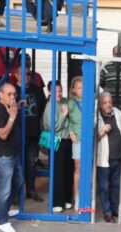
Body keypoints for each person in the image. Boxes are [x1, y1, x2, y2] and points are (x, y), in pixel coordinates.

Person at [0, 83, 23, 232]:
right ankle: (1, 221)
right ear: (0, 95)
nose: (13, 97)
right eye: (9, 94)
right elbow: (2, 135)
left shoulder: (10, 107)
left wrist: (16, 109)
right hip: (3, 157)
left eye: (14, 94)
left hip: (13, 154)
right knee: (5, 189)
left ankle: (4, 210)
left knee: (18, 183)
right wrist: (13, 117)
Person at [14, 65, 46, 203]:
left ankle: (31, 191)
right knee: (17, 164)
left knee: (31, 164)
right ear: (16, 75)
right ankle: (16, 193)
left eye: (27, 74)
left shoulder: (37, 90)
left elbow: (44, 112)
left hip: (33, 134)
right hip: (16, 135)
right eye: (22, 74)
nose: (25, 76)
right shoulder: (11, 90)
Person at [42, 81, 74, 213]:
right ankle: (57, 201)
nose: (58, 93)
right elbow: (53, 127)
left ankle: (67, 199)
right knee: (58, 172)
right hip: (57, 141)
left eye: (60, 90)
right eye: (55, 91)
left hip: (67, 140)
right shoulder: (50, 106)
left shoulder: (65, 101)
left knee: (68, 171)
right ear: (49, 92)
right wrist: (64, 115)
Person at [96, 92, 121, 223]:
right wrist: (102, 131)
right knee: (104, 187)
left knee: (116, 185)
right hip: (104, 159)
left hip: (118, 157)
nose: (108, 105)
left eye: (109, 102)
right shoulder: (96, 116)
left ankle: (114, 209)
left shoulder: (118, 113)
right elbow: (91, 138)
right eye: (105, 103)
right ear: (100, 104)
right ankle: (107, 212)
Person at [67, 76, 83, 209]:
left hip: (90, 138)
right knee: (78, 166)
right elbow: (66, 120)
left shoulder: (91, 102)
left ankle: (86, 195)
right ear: (73, 90)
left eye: (83, 87)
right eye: (78, 88)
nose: (81, 90)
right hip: (77, 139)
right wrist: (70, 132)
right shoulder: (71, 103)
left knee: (88, 168)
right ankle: (77, 196)